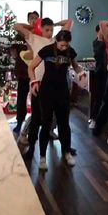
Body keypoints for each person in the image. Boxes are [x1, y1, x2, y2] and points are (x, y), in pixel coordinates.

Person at [14, 17, 74, 159]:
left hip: (55, 85)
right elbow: (16, 26)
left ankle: (66, 148)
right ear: (41, 29)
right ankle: (31, 148)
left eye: (51, 30)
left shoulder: (56, 41)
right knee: (36, 118)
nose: (49, 32)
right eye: (47, 29)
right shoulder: (33, 38)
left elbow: (69, 22)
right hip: (38, 84)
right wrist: (32, 26)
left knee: (60, 118)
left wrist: (55, 24)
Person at [29, 30, 84, 170]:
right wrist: (34, 82)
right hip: (47, 91)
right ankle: (42, 157)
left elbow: (76, 66)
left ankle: (66, 152)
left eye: (65, 45)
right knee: (46, 123)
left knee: (64, 123)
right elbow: (31, 67)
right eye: (61, 45)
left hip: (63, 91)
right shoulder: (46, 50)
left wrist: (81, 73)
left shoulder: (70, 51)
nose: (63, 48)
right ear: (56, 42)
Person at [11, 11, 39, 135]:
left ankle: (37, 124)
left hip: (37, 72)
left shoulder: (40, 34)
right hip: (23, 72)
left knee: (37, 99)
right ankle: (19, 122)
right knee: (21, 98)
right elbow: (15, 25)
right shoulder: (21, 34)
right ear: (28, 20)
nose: (33, 20)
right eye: (31, 18)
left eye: (35, 18)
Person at [89, 25, 108, 129]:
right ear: (97, 32)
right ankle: (93, 119)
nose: (104, 32)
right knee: (98, 97)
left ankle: (106, 117)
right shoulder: (96, 42)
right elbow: (101, 49)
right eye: (102, 30)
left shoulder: (106, 42)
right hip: (100, 72)